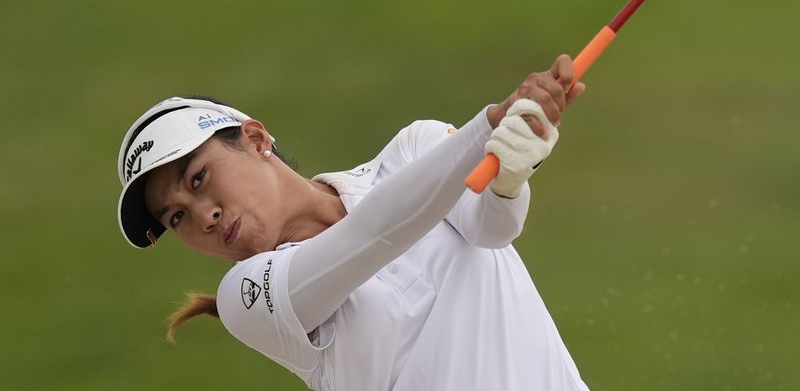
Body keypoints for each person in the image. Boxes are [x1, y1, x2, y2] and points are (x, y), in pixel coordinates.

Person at [116, 55, 589, 390]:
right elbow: (378, 233)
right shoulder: (249, 298)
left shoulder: (415, 149)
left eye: (199, 178)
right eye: (176, 217)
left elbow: (492, 229)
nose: (204, 217)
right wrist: (489, 126)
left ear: (257, 139)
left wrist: (510, 171)